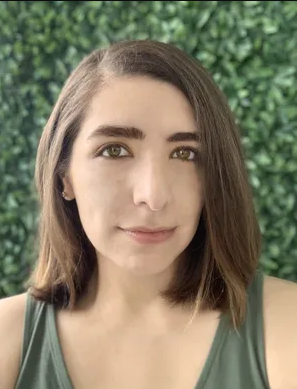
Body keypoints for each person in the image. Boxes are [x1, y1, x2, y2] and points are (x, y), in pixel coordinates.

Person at [0, 39, 296, 389]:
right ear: (65, 176)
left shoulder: (285, 324)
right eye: (114, 150)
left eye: (185, 154)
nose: (153, 196)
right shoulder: (8, 339)